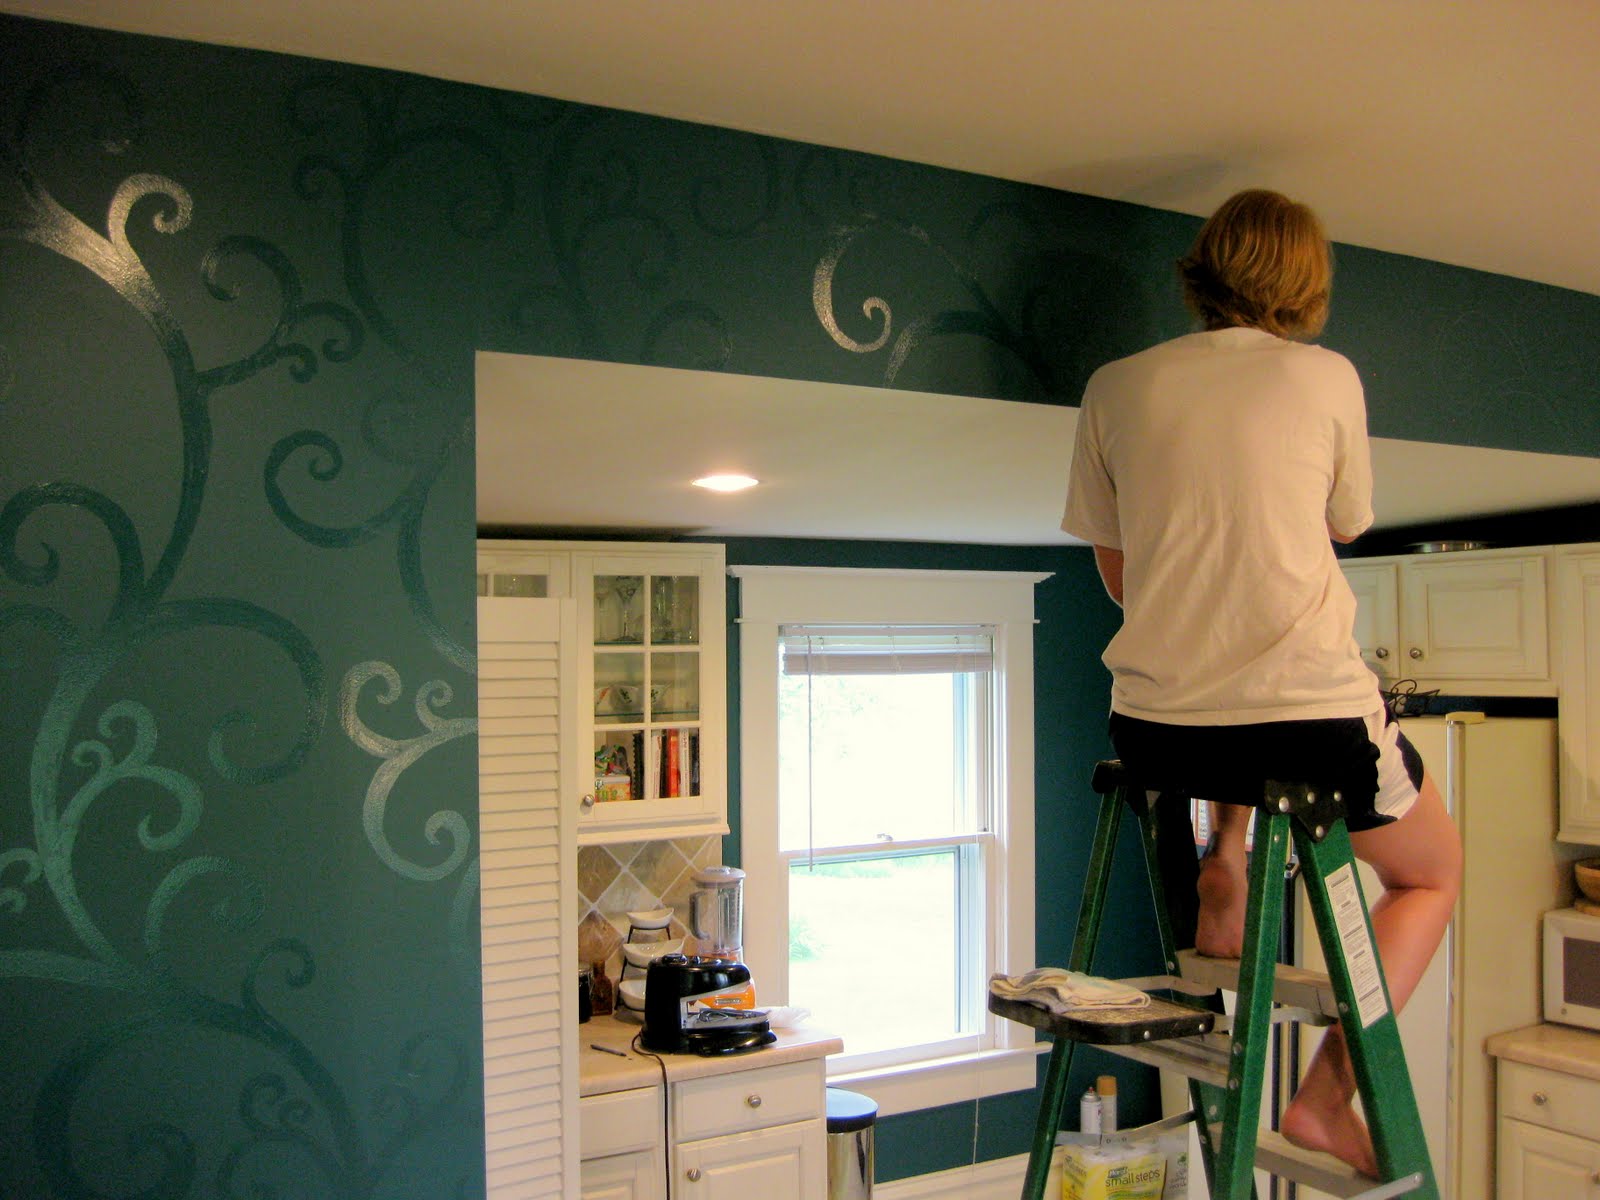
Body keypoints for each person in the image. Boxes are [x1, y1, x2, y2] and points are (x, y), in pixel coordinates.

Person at [1060, 188, 1462, 1178]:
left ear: (1203, 269)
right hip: (1305, 724)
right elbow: (1339, 524)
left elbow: (1118, 578)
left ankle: (1229, 854)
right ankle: (1325, 1101)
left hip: (1157, 731)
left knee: (1225, 714)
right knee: (1430, 872)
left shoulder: (1113, 385)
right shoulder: (1324, 376)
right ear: (1306, 281)